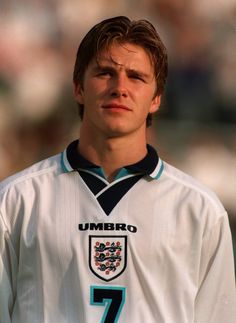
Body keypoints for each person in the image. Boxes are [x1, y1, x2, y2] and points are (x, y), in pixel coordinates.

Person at [0, 16, 235, 323]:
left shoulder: (200, 209)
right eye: (105, 73)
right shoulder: (16, 200)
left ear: (156, 99)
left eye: (136, 77)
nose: (119, 87)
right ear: (78, 88)